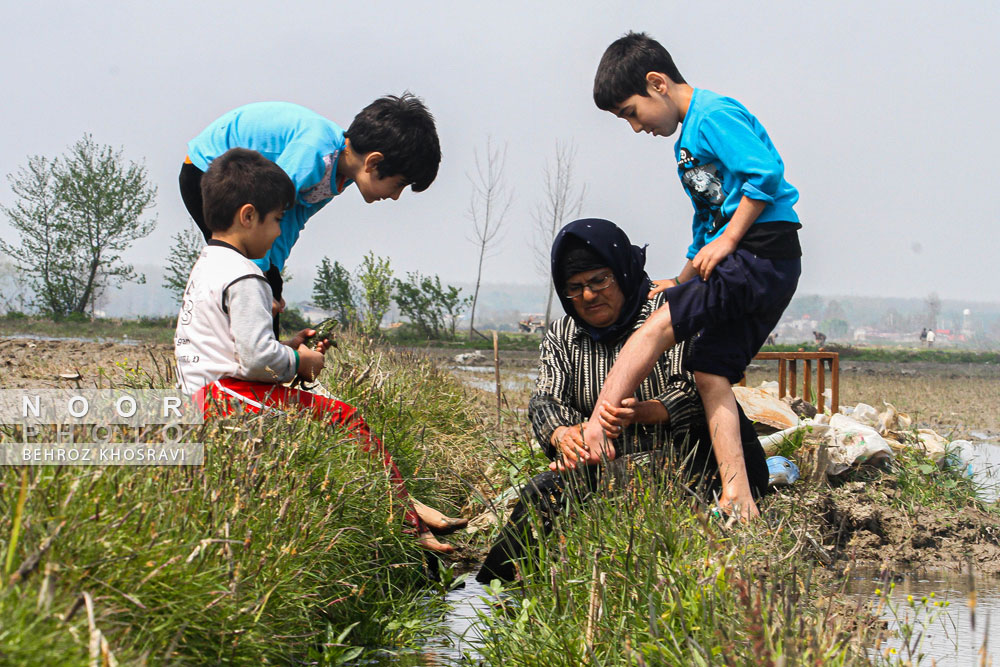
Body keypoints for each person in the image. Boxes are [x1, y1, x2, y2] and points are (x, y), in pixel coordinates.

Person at [175, 148, 463, 554]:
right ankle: (406, 526)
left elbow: (235, 346)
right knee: (346, 419)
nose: (279, 232)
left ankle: (407, 512)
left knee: (324, 408)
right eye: (276, 220)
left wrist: (288, 348)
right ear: (248, 216)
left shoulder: (209, 264)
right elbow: (256, 360)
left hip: (208, 391)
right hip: (226, 397)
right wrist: (301, 360)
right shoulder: (245, 277)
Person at [572, 32, 802, 520]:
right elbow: (707, 224)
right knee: (708, 370)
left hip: (761, 250)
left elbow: (765, 175)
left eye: (631, 113)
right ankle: (738, 496)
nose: (634, 128)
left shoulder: (714, 115)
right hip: (749, 256)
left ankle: (596, 427)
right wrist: (681, 278)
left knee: (656, 327)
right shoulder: (686, 143)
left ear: (657, 84)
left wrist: (730, 240)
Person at [477, 219, 769, 583]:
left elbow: (701, 391)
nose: (588, 295)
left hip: (692, 457)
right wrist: (564, 435)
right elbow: (545, 399)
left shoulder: (668, 312)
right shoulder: (563, 335)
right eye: (575, 288)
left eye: (600, 281)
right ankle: (498, 589)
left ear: (622, 272)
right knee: (547, 492)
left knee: (574, 493)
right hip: (614, 460)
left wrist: (649, 412)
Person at [179, 95, 441, 335]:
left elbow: (287, 222)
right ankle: (227, 362)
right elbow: (260, 216)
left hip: (251, 205)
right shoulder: (316, 152)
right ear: (373, 162)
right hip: (207, 173)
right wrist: (260, 282)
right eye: (399, 185)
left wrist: (272, 280)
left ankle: (263, 366)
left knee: (265, 289)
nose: (395, 196)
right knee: (242, 276)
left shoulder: (341, 176)